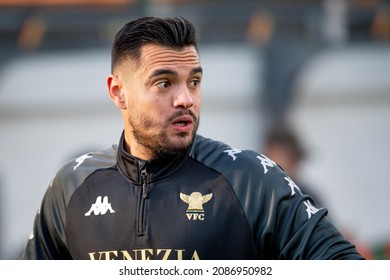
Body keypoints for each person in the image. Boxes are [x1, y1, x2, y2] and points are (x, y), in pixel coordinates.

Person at [21, 16, 364, 260]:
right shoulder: (72, 185)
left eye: (194, 81)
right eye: (165, 83)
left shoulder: (249, 179)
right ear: (118, 92)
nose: (186, 99)